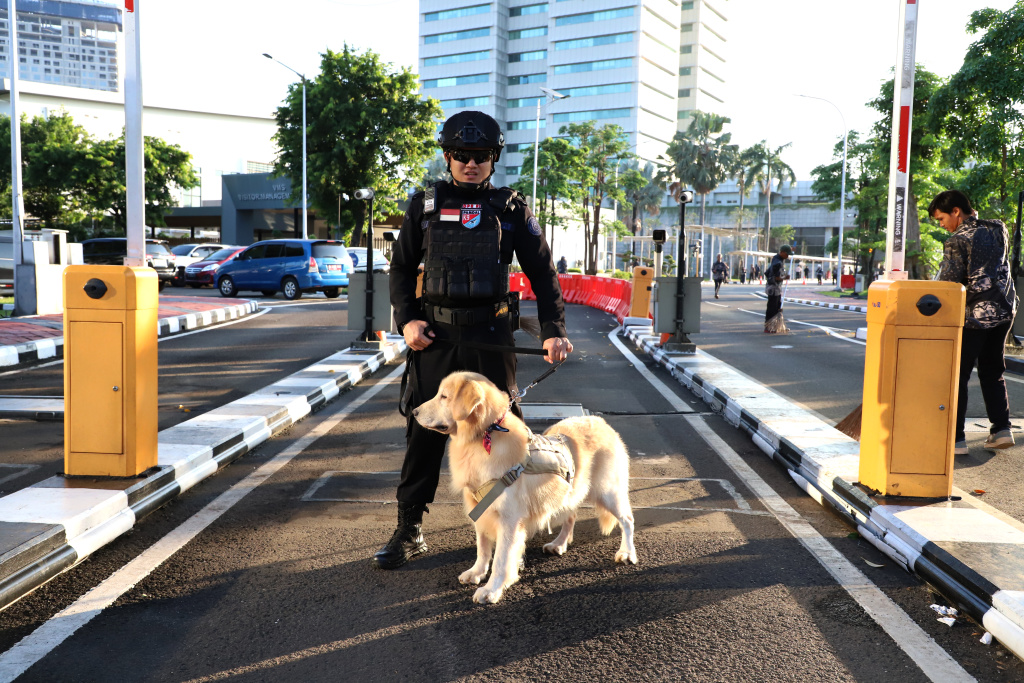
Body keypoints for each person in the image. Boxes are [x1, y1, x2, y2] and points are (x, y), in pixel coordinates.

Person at [378, 111, 573, 570]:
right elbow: (401, 268)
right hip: (435, 336)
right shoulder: (424, 206)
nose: (471, 163)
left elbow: (543, 273)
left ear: (493, 158)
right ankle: (410, 528)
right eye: (462, 155)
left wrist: (554, 330)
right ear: (448, 156)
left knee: (506, 431)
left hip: (491, 336)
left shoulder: (511, 209)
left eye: (481, 155)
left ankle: (514, 521)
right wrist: (407, 320)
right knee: (425, 430)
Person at [931, 189, 1017, 455]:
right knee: (993, 370)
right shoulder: (998, 228)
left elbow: (949, 283)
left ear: (956, 211)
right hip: (1004, 309)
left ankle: (956, 439)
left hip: (974, 316)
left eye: (942, 218)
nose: (942, 224)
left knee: (958, 374)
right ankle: (1001, 430)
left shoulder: (957, 239)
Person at [764, 245, 792, 332]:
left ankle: (776, 326)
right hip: (773, 288)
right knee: (772, 308)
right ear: (782, 252)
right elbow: (775, 277)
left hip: (776, 288)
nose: (788, 256)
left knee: (777, 307)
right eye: (787, 254)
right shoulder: (777, 263)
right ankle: (769, 327)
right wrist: (785, 278)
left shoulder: (777, 259)